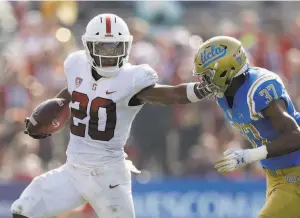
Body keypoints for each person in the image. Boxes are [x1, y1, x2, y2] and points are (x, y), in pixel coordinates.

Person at [11, 13, 211, 218]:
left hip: (109, 178)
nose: (109, 55)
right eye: (103, 48)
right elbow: (71, 93)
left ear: (126, 47)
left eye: (115, 47)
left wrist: (202, 89)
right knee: (24, 209)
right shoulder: (77, 65)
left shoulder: (132, 79)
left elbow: (171, 94)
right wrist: (48, 112)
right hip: (73, 171)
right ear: (88, 47)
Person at [194, 36, 300, 218]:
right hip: (274, 177)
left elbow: (296, 137)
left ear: (224, 71)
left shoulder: (258, 89)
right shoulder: (226, 94)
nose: (204, 81)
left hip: (297, 178)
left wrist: (249, 155)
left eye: (207, 75)